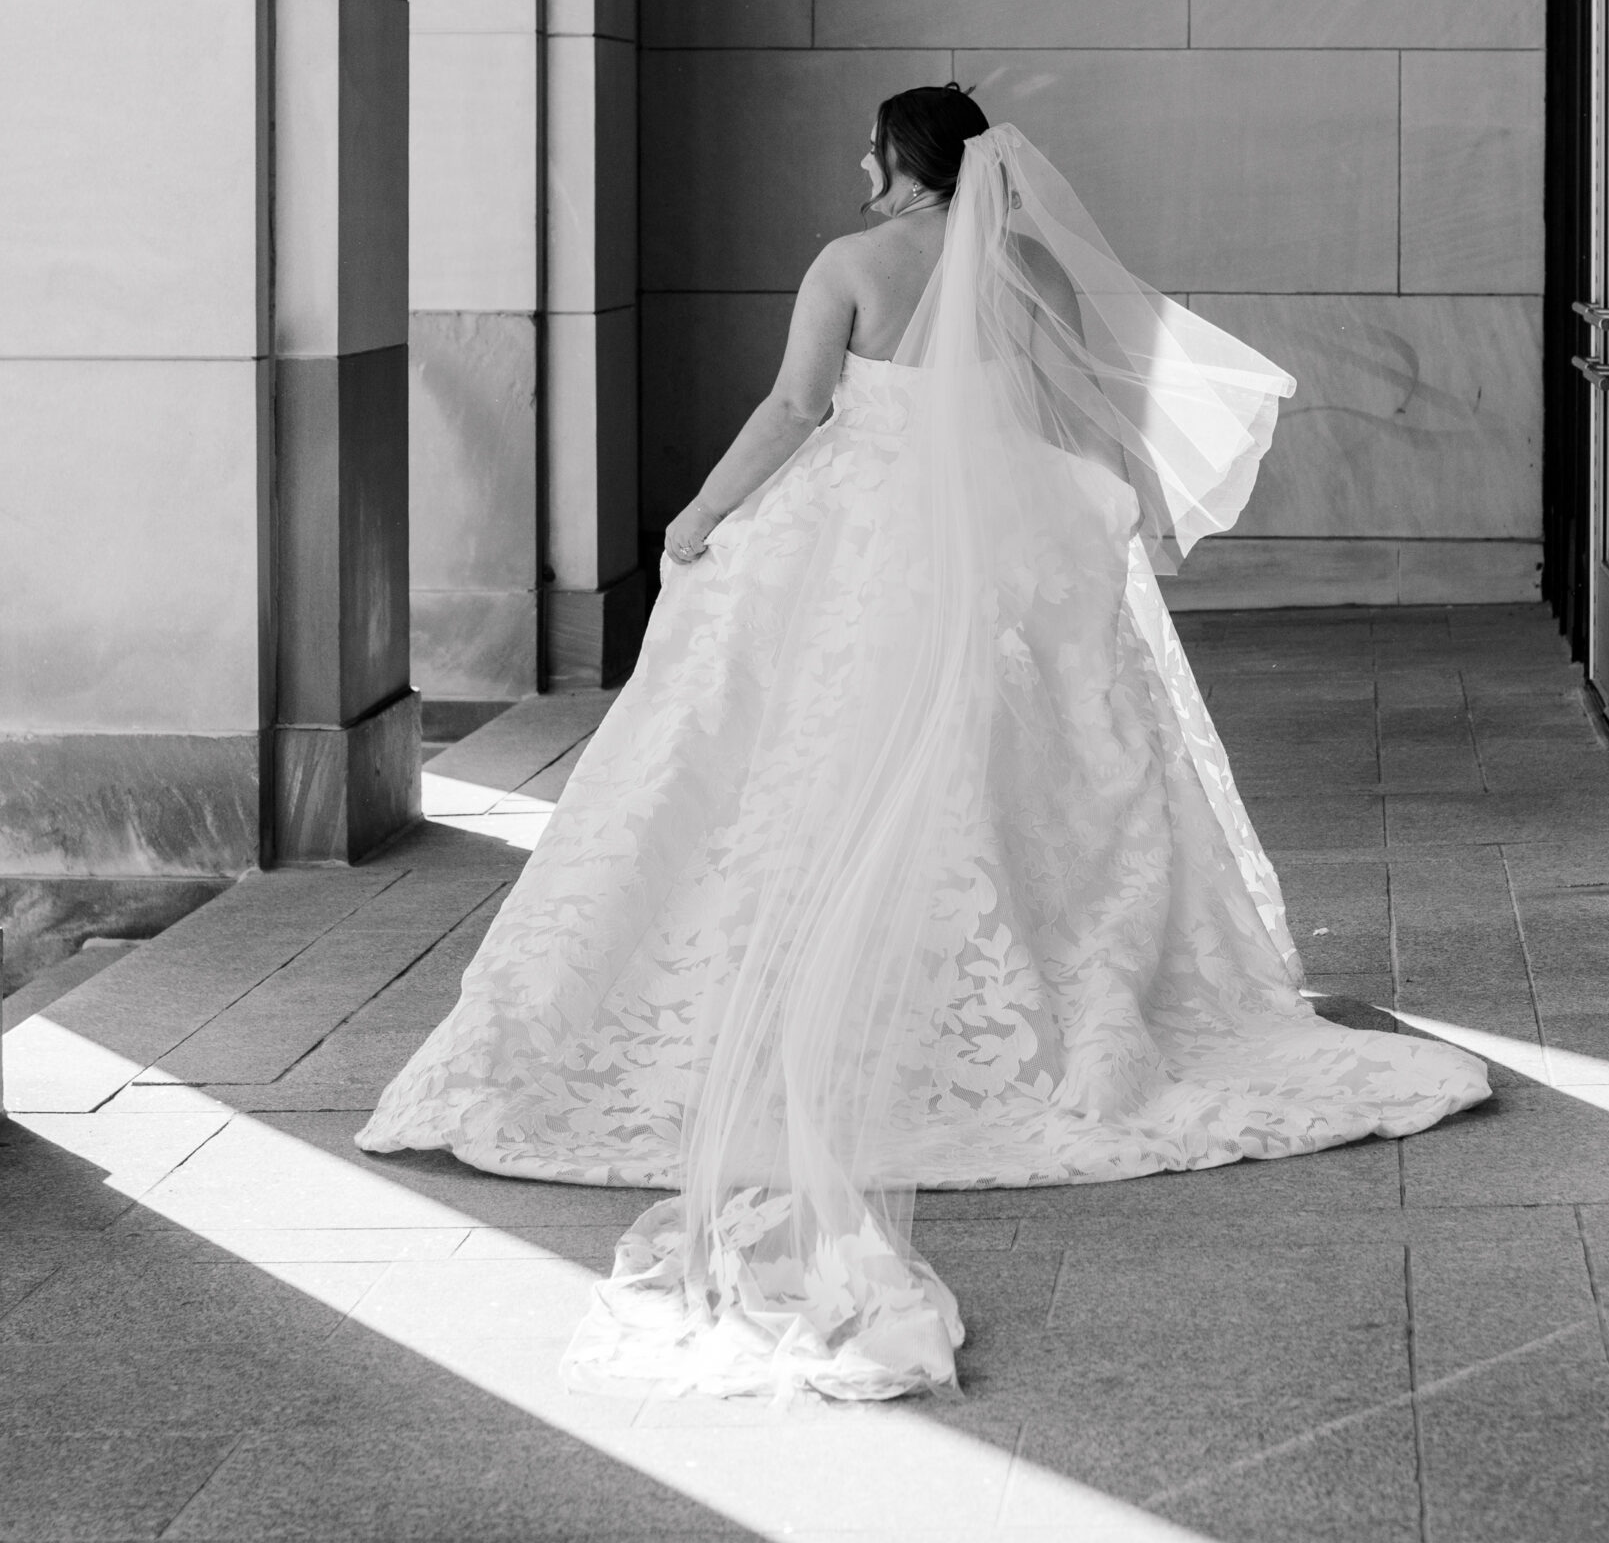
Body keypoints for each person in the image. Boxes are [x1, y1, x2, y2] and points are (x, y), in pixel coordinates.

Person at [358, 87, 1489, 1399]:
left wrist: (698, 516)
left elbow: (795, 410)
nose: (856, 164)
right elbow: (1072, 409)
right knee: (1028, 773)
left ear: (904, 163)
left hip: (859, 534)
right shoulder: (1021, 265)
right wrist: (1106, 519)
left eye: (869, 148)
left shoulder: (848, 266)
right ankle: (1039, 1002)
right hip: (997, 537)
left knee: (784, 761)